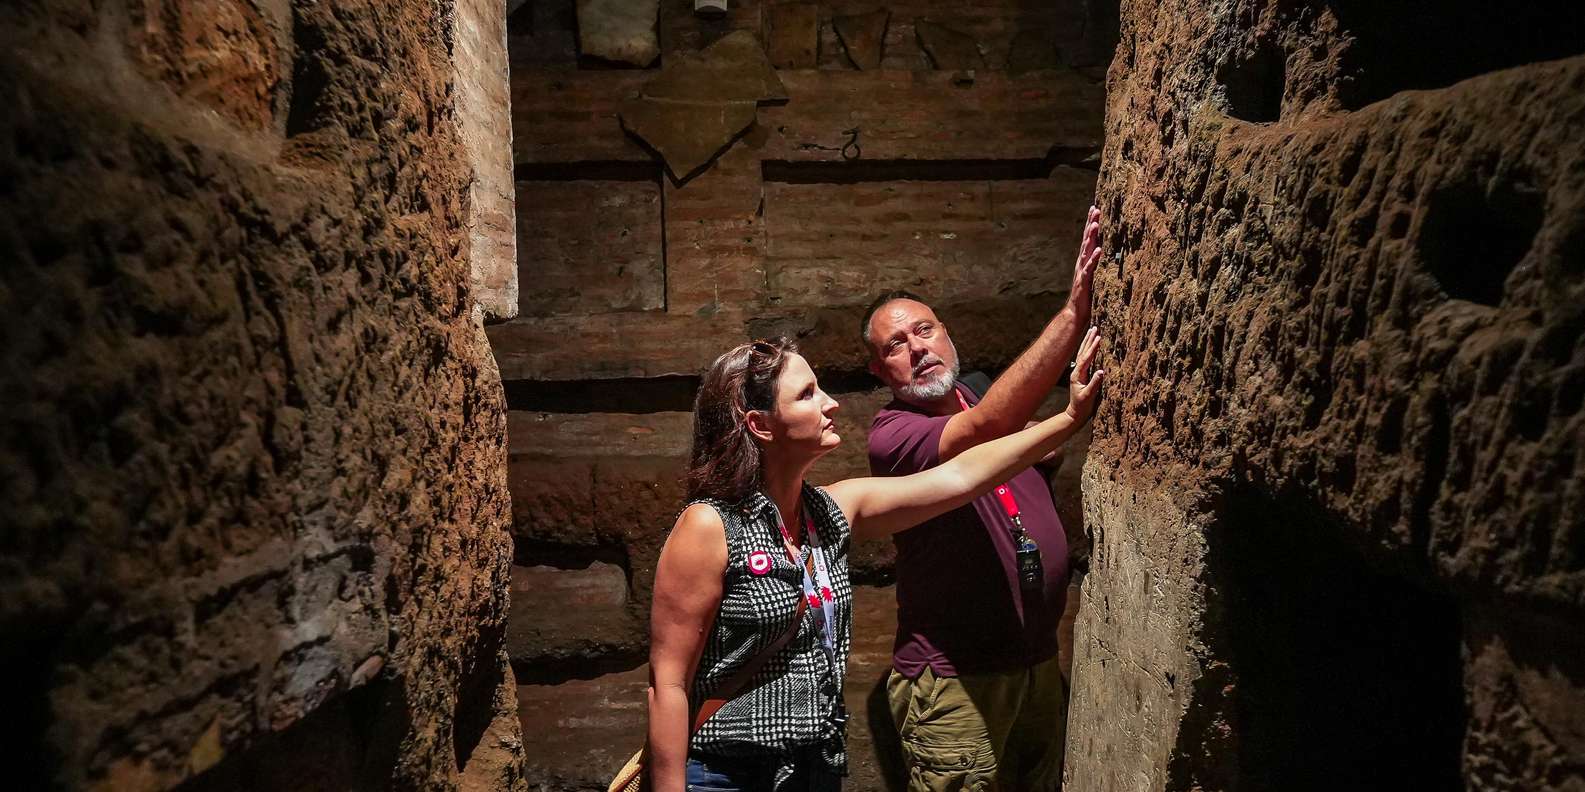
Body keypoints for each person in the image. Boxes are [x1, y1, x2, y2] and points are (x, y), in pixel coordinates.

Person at [647, 331, 1105, 792]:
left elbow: (962, 476)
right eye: (807, 395)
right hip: (727, 774)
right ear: (760, 425)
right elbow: (667, 684)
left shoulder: (830, 511)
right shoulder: (709, 526)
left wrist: (1069, 418)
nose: (831, 404)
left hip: (814, 764)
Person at [863, 206, 1103, 791]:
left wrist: (1043, 448)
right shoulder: (893, 434)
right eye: (896, 344)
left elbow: (1016, 442)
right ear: (879, 370)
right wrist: (1075, 312)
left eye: (925, 330)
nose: (917, 348)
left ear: (948, 334)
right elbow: (986, 430)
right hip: (956, 682)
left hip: (1036, 664)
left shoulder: (977, 396)